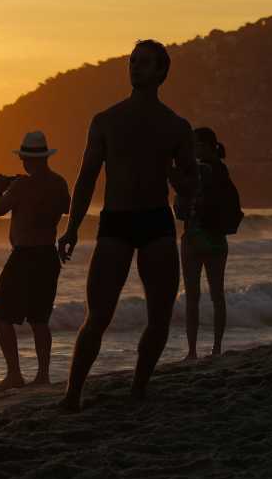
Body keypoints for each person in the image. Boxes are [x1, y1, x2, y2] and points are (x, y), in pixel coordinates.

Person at [56, 40, 197, 412]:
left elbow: (190, 185)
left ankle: (139, 386)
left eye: (144, 63)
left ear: (162, 72)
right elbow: (86, 178)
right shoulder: (106, 120)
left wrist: (178, 182)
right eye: (132, 61)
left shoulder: (177, 127)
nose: (135, 68)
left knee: (160, 313)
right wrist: (71, 228)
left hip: (156, 222)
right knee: (98, 315)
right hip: (116, 221)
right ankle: (72, 394)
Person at [0, 130, 71, 391]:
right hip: (48, 255)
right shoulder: (59, 182)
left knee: (0, 315)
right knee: (39, 319)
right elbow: (67, 208)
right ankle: (43, 375)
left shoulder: (21, 185)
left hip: (25, 256)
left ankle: (14, 373)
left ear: (27, 158)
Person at [178, 126, 241, 360]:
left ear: (203, 146)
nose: (193, 149)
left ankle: (192, 351)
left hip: (194, 238)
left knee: (193, 297)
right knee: (217, 295)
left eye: (195, 145)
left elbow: (181, 202)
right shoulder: (222, 171)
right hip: (216, 239)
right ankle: (216, 348)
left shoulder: (200, 170)